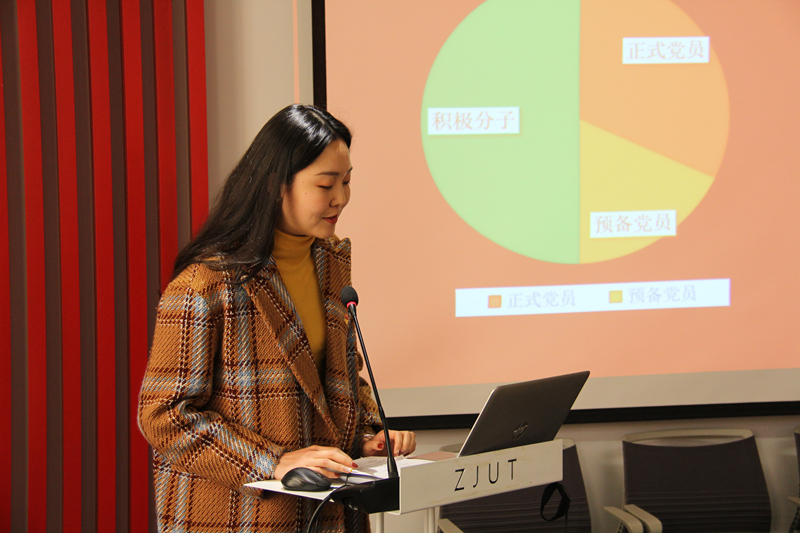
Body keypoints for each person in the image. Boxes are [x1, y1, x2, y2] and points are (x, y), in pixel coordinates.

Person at [138, 104, 416, 533]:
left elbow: (336, 377)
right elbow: (164, 416)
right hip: (240, 516)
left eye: (346, 181)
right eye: (325, 184)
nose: (341, 198)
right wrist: (273, 461)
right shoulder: (205, 284)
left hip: (328, 512)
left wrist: (368, 433)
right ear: (274, 185)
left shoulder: (329, 263)